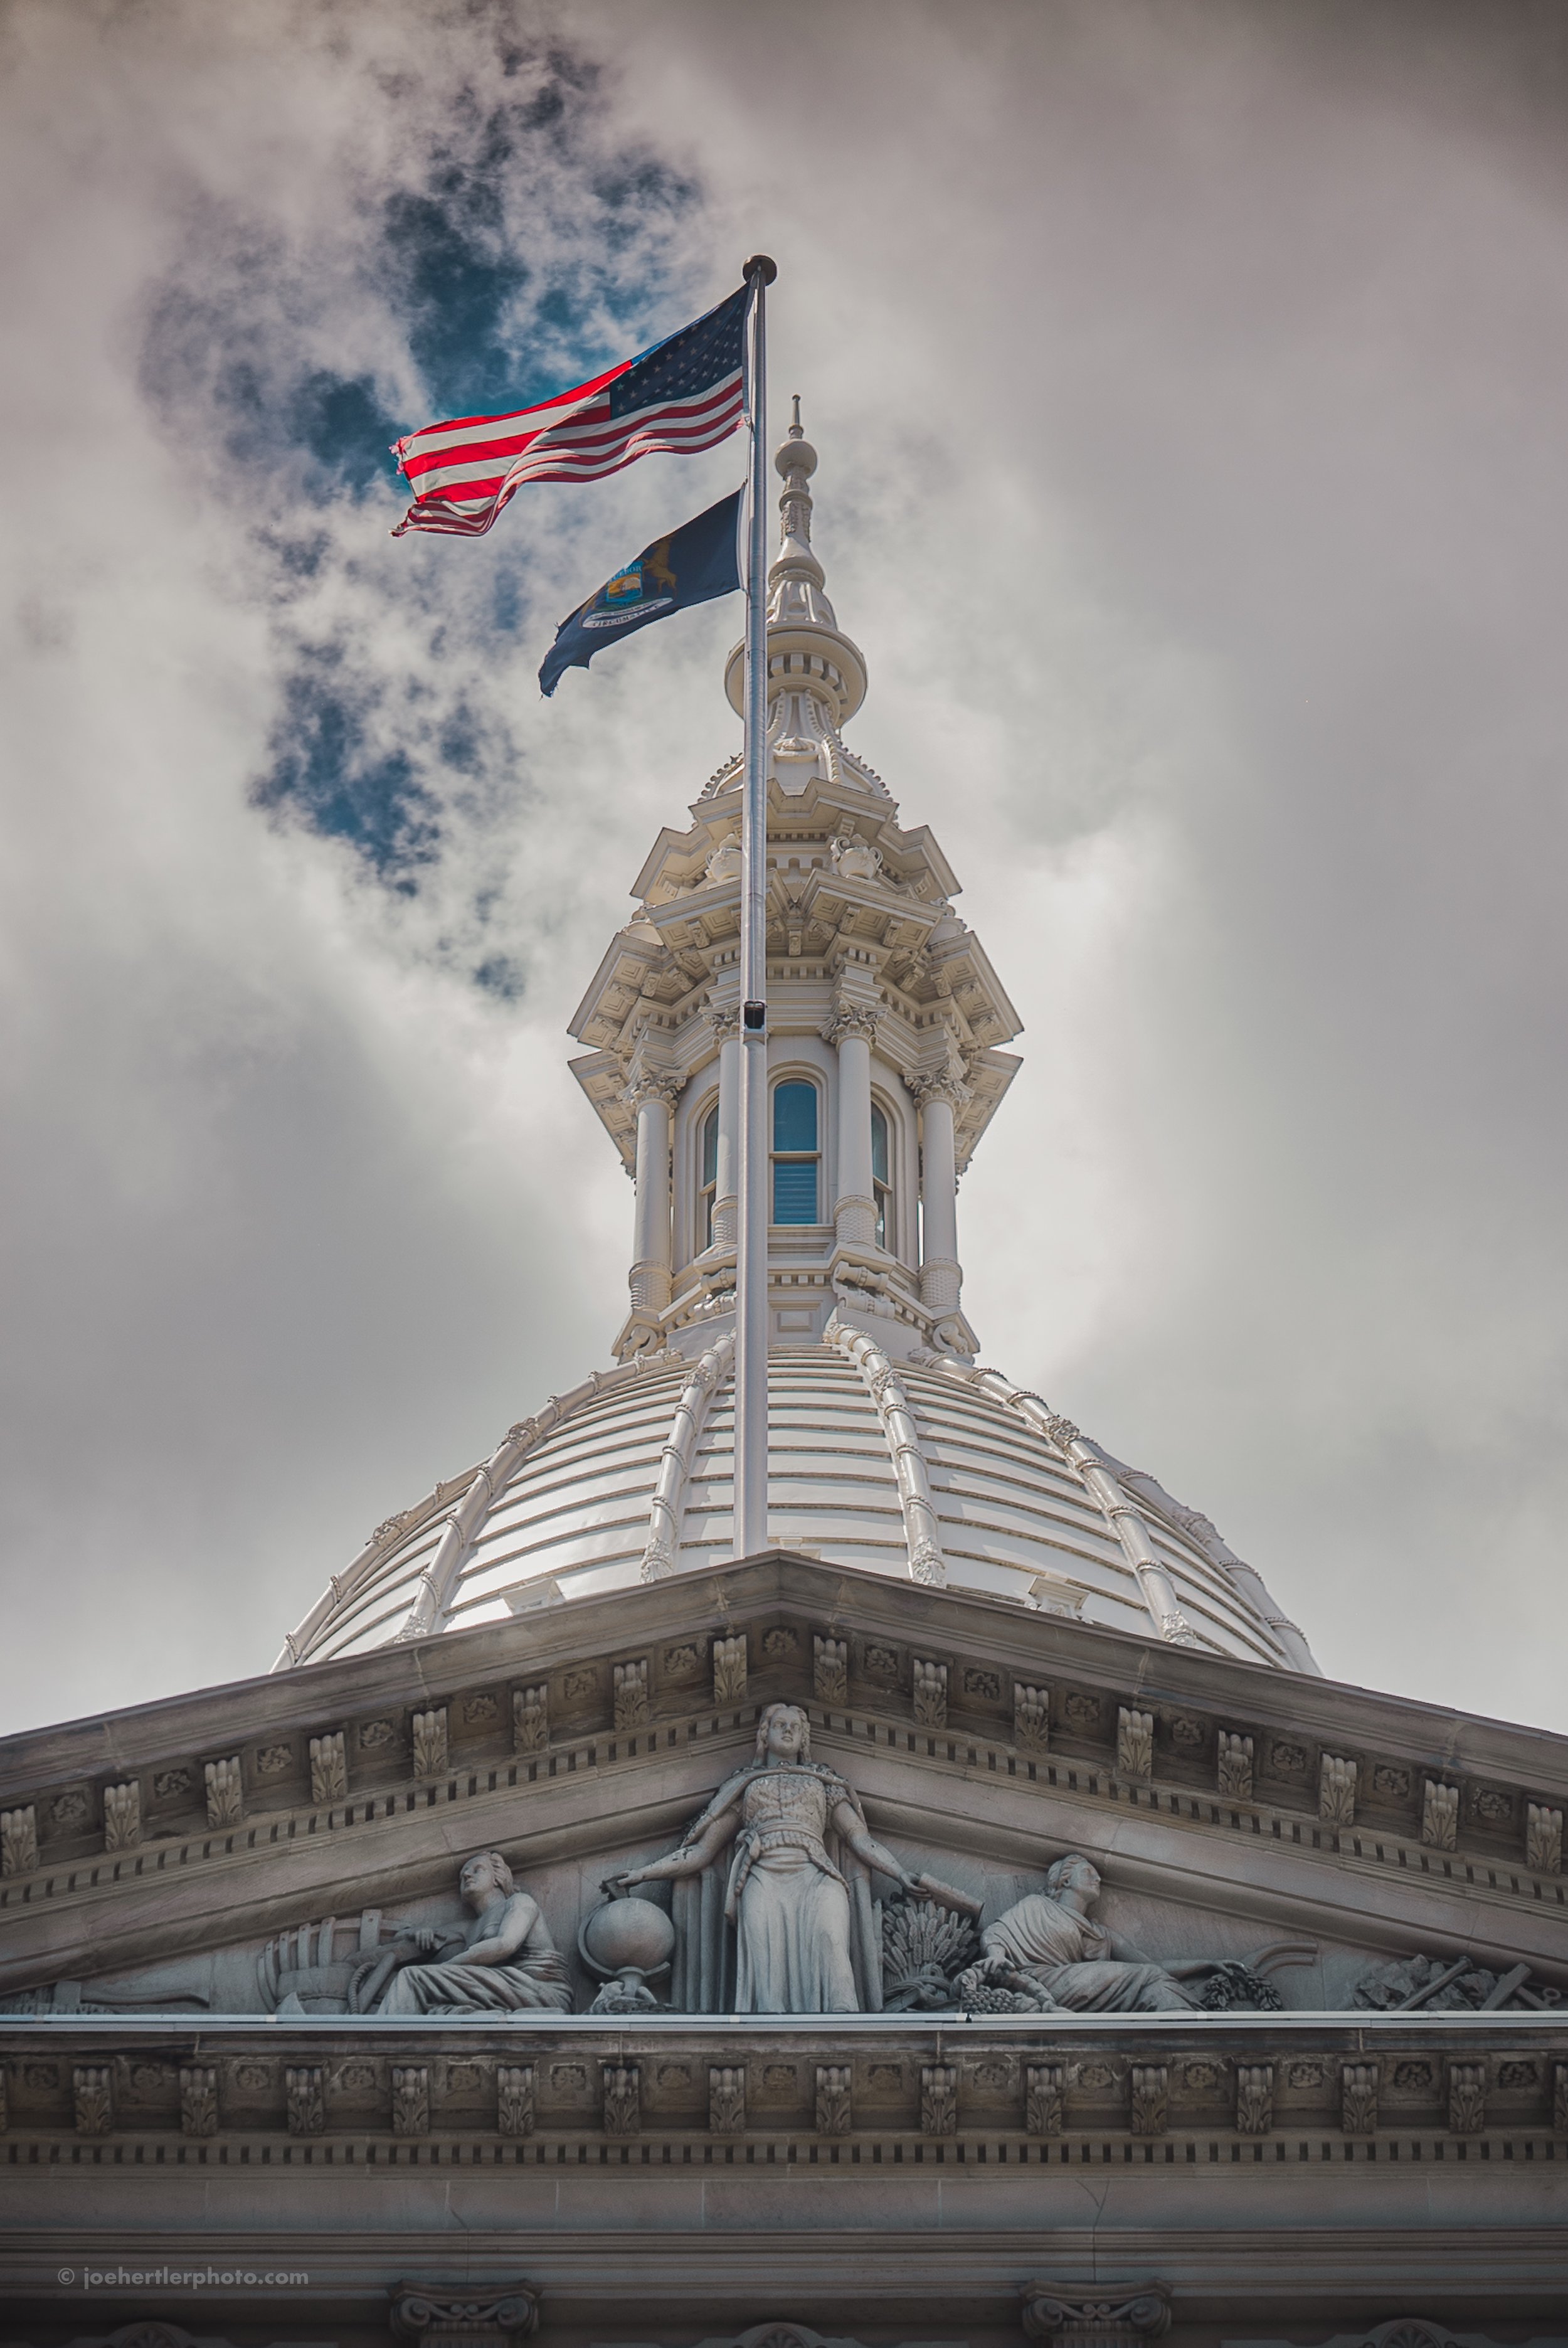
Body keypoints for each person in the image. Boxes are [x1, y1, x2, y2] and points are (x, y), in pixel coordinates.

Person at [613, 1702, 924, 2013]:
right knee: (764, 1957)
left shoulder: (824, 1783)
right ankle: (766, 2022)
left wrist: (899, 1873)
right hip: (762, 1875)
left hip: (815, 1873)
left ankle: (840, 2016)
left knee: (830, 1937)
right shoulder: (745, 1786)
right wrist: (643, 1873)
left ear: (804, 1738)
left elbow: (859, 1839)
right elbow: (702, 1851)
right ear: (765, 1734)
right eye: (780, 1725)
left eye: (795, 1727)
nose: (788, 1730)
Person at [963, 1853, 1206, 2014]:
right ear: (1065, 1881)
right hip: (1042, 1981)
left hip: (1080, 1987)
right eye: (1088, 1872)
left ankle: (1189, 2029)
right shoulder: (1038, 1905)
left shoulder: (1102, 1934)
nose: (1098, 1878)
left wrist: (1208, 1965)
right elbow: (998, 1931)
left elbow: (1154, 1966)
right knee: (1148, 1977)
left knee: (1156, 1983)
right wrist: (996, 1956)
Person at [372, 1851, 572, 2014]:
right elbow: (398, 1938)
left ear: (497, 1878)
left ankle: (377, 2047)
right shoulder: (468, 1928)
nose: (467, 1876)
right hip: (504, 1988)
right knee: (428, 1997)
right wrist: (418, 1931)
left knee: (413, 1978)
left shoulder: (520, 1902)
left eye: (478, 1870)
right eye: (463, 1875)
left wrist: (444, 1970)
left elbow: (505, 1945)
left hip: (539, 1991)